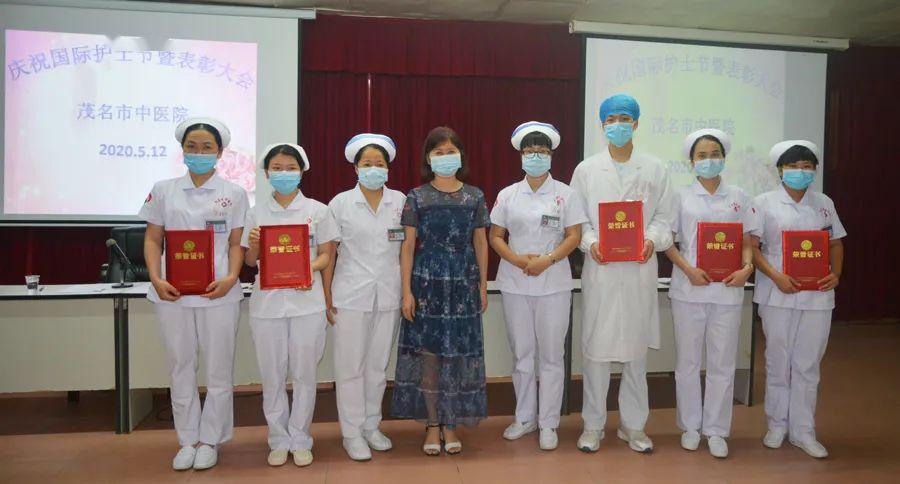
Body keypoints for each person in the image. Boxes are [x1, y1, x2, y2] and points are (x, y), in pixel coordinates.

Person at [139, 117, 248, 470]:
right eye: (192, 146)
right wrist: (156, 278)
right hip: (172, 293)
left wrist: (232, 277)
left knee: (219, 368)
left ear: (219, 152)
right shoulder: (163, 189)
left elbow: (236, 243)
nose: (199, 153)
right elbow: (154, 239)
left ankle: (211, 439)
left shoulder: (234, 193)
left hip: (219, 292)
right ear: (182, 149)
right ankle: (187, 439)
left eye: (206, 147)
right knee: (180, 366)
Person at [570, 94, 673, 454]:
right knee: (596, 353)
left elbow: (665, 219)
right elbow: (578, 221)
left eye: (624, 118)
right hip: (601, 270)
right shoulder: (586, 170)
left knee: (635, 355)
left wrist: (651, 240)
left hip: (639, 270)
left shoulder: (656, 168)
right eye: (611, 118)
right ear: (602, 125)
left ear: (636, 124)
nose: (618, 124)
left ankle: (634, 426)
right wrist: (592, 242)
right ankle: (593, 426)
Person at [390, 126, 490, 456]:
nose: (445, 157)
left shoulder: (475, 195)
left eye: (451, 151)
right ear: (428, 158)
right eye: (439, 152)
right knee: (430, 359)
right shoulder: (416, 196)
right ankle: (433, 425)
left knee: (458, 358)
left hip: (463, 281)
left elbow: (480, 241)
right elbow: (407, 247)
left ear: (460, 155)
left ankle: (452, 424)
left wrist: (483, 286)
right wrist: (406, 292)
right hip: (426, 281)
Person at [489, 121, 587, 450]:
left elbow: (574, 235)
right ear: (520, 155)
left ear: (552, 156)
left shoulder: (566, 194)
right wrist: (518, 261)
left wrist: (548, 260)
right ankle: (524, 418)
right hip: (515, 282)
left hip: (554, 282)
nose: (535, 156)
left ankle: (548, 423)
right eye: (530, 151)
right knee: (522, 354)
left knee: (551, 355)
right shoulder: (507, 194)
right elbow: (495, 236)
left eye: (542, 151)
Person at [242, 143, 339, 467]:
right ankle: (278, 439)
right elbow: (250, 260)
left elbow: (327, 255)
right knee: (272, 375)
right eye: (277, 168)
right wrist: (254, 244)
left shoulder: (318, 210)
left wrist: (305, 267)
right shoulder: (256, 212)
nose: (284, 173)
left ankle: (300, 438)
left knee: (304, 374)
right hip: (267, 306)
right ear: (267, 172)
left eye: (290, 167)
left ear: (302, 170)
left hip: (306, 304)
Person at [665, 128, 756, 458]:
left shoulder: (740, 197)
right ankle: (690, 426)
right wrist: (688, 269)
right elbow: (667, 242)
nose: (708, 160)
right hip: (689, 289)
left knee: (722, 362)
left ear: (724, 159)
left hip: (728, 291)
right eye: (701, 156)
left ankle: (716, 429)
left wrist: (746, 268)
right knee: (688, 362)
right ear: (691, 161)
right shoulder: (679, 197)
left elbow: (748, 240)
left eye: (714, 154)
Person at [751, 140, 845, 459]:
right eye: (793, 166)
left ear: (814, 171)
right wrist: (775, 276)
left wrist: (836, 273)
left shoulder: (824, 203)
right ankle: (777, 425)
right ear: (780, 170)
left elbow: (835, 243)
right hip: (777, 289)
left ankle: (804, 430)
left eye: (807, 167)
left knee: (807, 363)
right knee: (778, 359)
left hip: (817, 294)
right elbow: (751, 246)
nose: (800, 172)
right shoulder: (763, 202)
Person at [323, 133, 405, 461]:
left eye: (380, 163)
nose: (374, 168)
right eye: (367, 163)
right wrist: (327, 294)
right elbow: (329, 251)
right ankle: (352, 431)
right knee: (349, 367)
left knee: (377, 365)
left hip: (389, 293)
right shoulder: (340, 203)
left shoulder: (400, 201)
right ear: (355, 168)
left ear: (388, 168)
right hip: (350, 294)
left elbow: (408, 249)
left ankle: (372, 425)